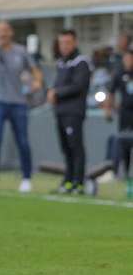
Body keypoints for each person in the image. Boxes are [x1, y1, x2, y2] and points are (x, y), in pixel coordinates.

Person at [0, 21, 43, 192]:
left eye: (5, 31)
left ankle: (26, 177)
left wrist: (37, 81)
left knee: (22, 141)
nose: (2, 34)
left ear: (11, 32)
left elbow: (35, 69)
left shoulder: (20, 51)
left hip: (18, 102)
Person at [47, 30, 91, 194]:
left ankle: (78, 182)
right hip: (60, 111)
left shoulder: (81, 62)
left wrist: (57, 93)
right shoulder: (61, 63)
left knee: (75, 147)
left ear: (75, 42)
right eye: (61, 43)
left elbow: (78, 86)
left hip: (73, 112)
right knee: (66, 148)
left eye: (67, 42)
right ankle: (68, 180)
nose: (64, 46)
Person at [105, 49, 133, 175]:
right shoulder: (119, 73)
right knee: (124, 143)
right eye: (126, 59)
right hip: (125, 114)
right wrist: (108, 110)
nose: (128, 61)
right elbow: (111, 92)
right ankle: (125, 172)